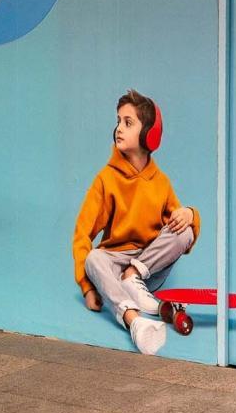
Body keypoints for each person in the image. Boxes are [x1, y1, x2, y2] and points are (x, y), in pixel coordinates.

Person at [71, 90, 198, 355]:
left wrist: (189, 213)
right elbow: (82, 233)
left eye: (128, 123)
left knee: (186, 230)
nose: (119, 128)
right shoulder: (106, 179)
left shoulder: (161, 182)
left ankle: (133, 276)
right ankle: (135, 321)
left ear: (149, 134)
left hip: (147, 269)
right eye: (118, 121)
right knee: (94, 258)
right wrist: (87, 287)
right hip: (114, 266)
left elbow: (177, 230)